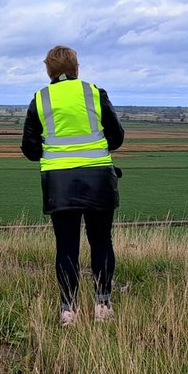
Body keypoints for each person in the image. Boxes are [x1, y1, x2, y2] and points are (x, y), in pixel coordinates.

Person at [21, 46, 125, 325]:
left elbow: (30, 149)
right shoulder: (94, 93)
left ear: (49, 71)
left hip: (59, 184)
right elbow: (116, 137)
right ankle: (102, 306)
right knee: (101, 241)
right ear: (76, 68)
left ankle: (68, 310)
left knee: (66, 246)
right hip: (98, 180)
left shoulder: (40, 99)